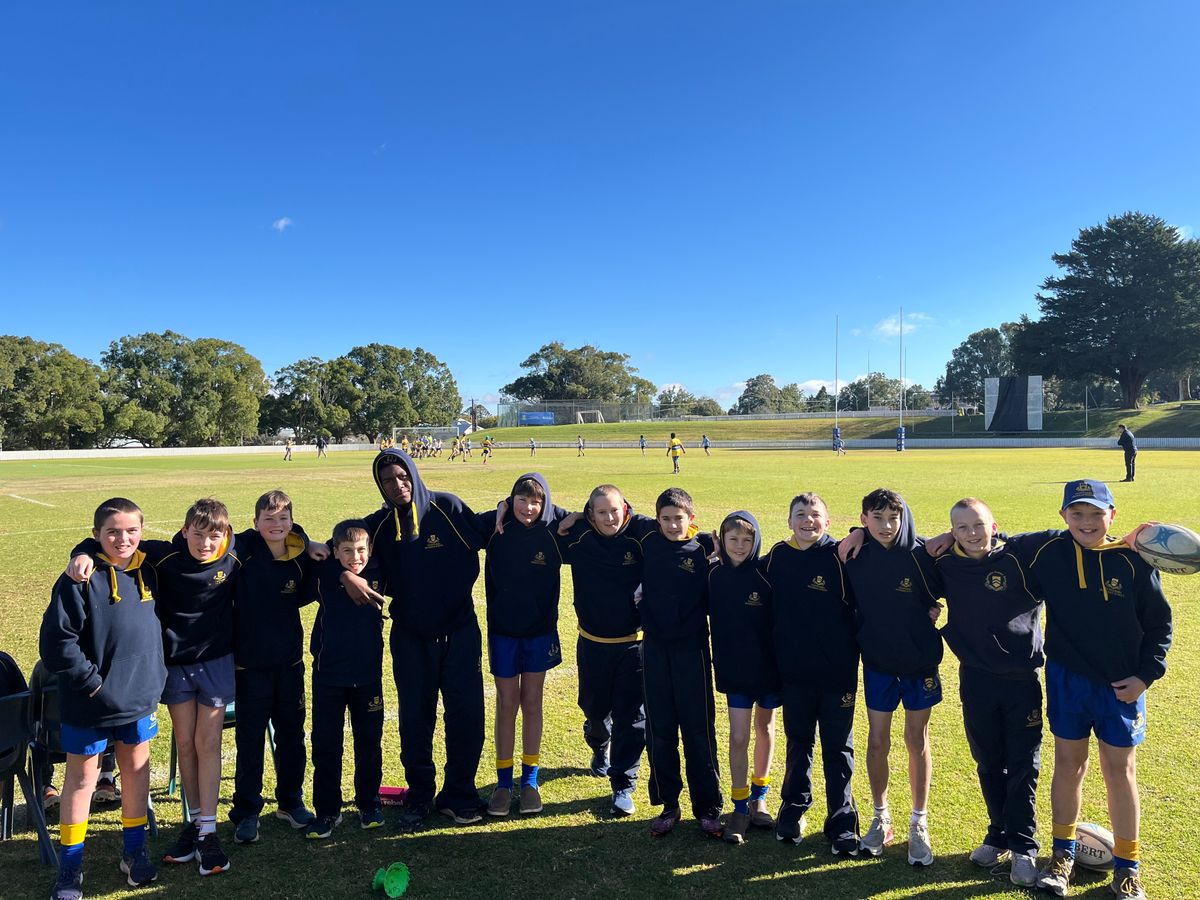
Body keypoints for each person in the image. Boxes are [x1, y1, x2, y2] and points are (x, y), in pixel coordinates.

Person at [1004, 480, 1171, 900]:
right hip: (1068, 680)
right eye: (1077, 513)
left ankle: (1127, 869)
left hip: (1121, 685)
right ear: (1063, 515)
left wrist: (1145, 677)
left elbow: (1159, 625)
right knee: (1068, 764)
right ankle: (1062, 856)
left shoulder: (1133, 561)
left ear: (1112, 515)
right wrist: (946, 537)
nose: (1086, 521)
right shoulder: (1047, 550)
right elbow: (991, 538)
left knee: (1120, 771)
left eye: (1096, 513)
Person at [66, 498, 245, 876]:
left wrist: (309, 542)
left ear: (226, 534)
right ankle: (194, 824)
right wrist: (80, 552)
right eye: (198, 535)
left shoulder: (235, 556)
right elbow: (114, 542)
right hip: (174, 666)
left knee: (207, 743)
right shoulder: (163, 556)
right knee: (185, 744)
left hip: (216, 663)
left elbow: (274, 536)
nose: (206, 544)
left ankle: (209, 830)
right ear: (184, 531)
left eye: (214, 536)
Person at [342, 449, 488, 829]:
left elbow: (492, 527)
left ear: (413, 473)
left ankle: (459, 794)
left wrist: (547, 514)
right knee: (415, 719)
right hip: (410, 636)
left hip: (459, 633)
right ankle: (421, 796)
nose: (398, 485)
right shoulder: (377, 526)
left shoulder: (447, 508)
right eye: (388, 480)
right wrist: (345, 574)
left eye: (402, 476)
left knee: (466, 715)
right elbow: (339, 547)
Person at [40, 498, 166, 899]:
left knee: (136, 770)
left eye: (131, 531)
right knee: (81, 780)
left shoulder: (152, 567)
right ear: (96, 535)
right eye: (112, 532)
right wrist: (93, 684)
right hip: (90, 700)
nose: (122, 539)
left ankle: (134, 851)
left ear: (142, 531)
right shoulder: (79, 578)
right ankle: (70, 867)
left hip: (138, 697)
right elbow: (56, 643)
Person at [928, 498, 1044, 888]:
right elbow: (902, 553)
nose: (972, 533)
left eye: (979, 524)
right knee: (988, 761)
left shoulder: (1019, 558)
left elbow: (1060, 540)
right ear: (952, 532)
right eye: (962, 527)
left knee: (1023, 763)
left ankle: (1024, 846)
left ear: (994, 525)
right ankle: (998, 835)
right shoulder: (946, 564)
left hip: (1021, 681)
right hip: (976, 678)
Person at [839, 488, 942, 866]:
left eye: (893, 518)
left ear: (903, 517)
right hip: (878, 664)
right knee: (877, 741)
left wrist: (950, 536)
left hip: (919, 664)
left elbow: (959, 576)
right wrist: (856, 533)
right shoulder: (854, 553)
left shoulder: (923, 554)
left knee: (916, 739)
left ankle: (919, 821)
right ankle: (881, 816)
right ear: (864, 519)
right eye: (877, 518)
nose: (886, 526)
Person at [761, 493, 860, 856]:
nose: (808, 521)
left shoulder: (843, 555)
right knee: (799, 741)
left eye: (815, 514)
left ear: (827, 522)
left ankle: (842, 821)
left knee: (838, 747)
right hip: (794, 673)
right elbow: (743, 576)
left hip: (838, 673)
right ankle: (794, 807)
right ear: (789, 521)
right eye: (800, 514)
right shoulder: (777, 556)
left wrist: (860, 531)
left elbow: (888, 560)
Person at [228, 491, 317, 842]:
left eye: (283, 518)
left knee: (292, 734)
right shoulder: (243, 550)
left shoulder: (301, 556)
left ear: (292, 522)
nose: (276, 524)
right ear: (255, 523)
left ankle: (291, 801)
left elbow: (313, 582)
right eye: (268, 518)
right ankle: (247, 810)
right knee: (250, 740)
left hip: (289, 664)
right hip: (248, 667)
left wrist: (309, 543)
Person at [559, 485, 651, 815]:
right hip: (592, 644)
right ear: (591, 514)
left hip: (633, 645)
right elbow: (537, 515)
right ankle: (599, 742)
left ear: (624, 508)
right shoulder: (578, 534)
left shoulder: (641, 532)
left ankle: (624, 783)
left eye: (615, 510)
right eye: (602, 512)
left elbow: (680, 531)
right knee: (595, 711)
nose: (610, 518)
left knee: (633, 717)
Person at [479, 474, 567, 817]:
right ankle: (503, 784)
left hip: (539, 632)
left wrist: (567, 513)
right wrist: (500, 507)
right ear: (511, 499)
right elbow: (461, 522)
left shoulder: (554, 529)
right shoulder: (495, 526)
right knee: (506, 704)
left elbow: (595, 517)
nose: (528, 508)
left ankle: (529, 781)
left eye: (536, 502)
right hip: (503, 632)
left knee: (532, 702)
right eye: (521, 500)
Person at [638, 487, 722, 838]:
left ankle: (708, 807)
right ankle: (668, 804)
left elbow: (744, 548)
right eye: (666, 519)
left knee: (698, 730)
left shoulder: (704, 549)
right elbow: (613, 516)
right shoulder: (646, 542)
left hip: (692, 651)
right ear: (657, 519)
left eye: (679, 519)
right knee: (660, 730)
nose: (673, 525)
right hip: (655, 649)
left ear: (692, 518)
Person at [303, 520, 387, 838]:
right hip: (329, 676)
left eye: (361, 550)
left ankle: (369, 804)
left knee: (369, 743)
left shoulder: (380, 570)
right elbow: (308, 556)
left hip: (368, 676)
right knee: (326, 745)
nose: (355, 557)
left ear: (371, 550)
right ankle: (327, 811)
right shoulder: (325, 573)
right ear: (335, 551)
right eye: (347, 551)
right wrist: (342, 573)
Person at [707, 511, 778, 846]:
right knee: (738, 736)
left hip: (769, 669)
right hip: (734, 669)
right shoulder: (713, 574)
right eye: (732, 539)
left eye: (746, 540)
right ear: (721, 540)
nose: (739, 546)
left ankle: (759, 798)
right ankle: (738, 807)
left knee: (765, 729)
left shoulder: (767, 573)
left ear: (756, 541)